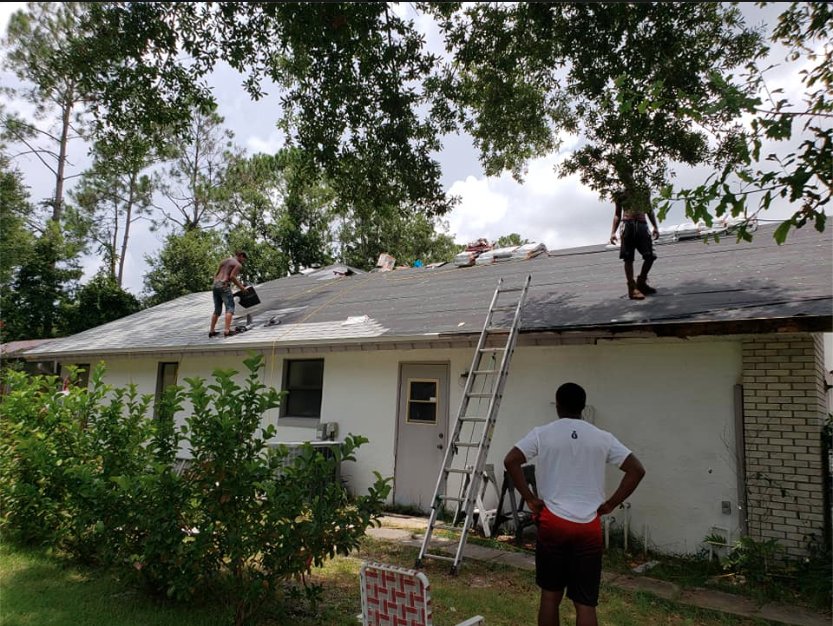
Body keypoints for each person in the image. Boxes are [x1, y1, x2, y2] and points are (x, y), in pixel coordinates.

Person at [504, 382, 646, 626]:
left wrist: (529, 498)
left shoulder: (543, 433)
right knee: (585, 603)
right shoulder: (603, 437)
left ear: (557, 405)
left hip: (553, 524)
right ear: (583, 407)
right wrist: (611, 503)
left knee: (550, 597)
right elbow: (636, 470)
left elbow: (511, 460)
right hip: (588, 527)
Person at [609, 187, 659, 300]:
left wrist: (655, 226)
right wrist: (613, 232)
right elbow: (617, 214)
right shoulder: (619, 193)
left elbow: (649, 209)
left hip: (642, 224)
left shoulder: (643, 191)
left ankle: (641, 283)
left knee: (650, 256)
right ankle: (632, 288)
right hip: (627, 225)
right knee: (628, 258)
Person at [209, 250, 248, 338]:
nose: (243, 261)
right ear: (241, 256)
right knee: (230, 307)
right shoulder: (238, 265)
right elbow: (232, 277)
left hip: (215, 285)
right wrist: (241, 287)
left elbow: (216, 274)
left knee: (217, 309)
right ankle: (227, 330)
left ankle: (211, 331)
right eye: (244, 259)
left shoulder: (224, 261)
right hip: (224, 285)